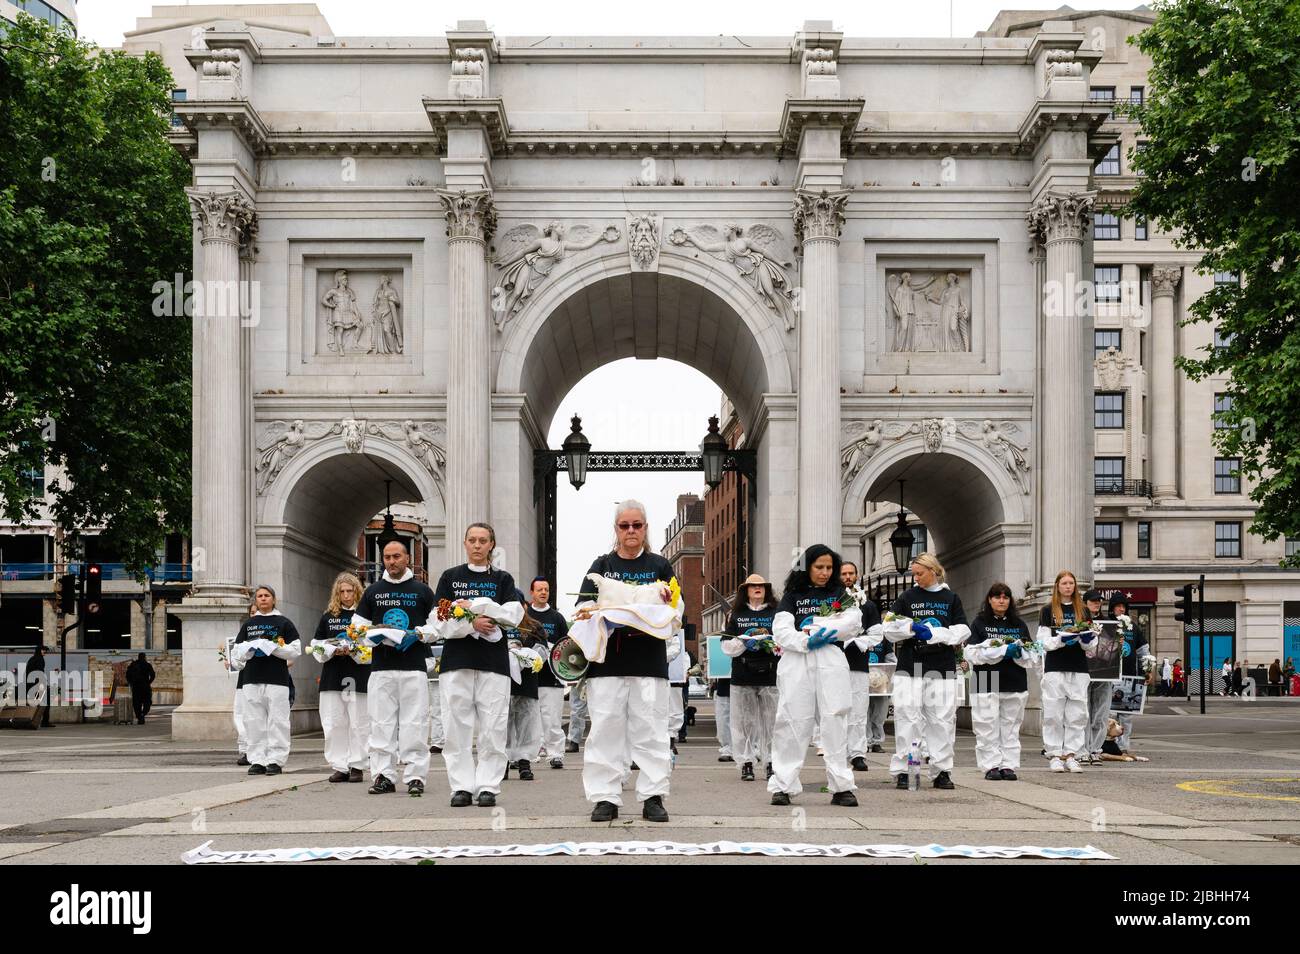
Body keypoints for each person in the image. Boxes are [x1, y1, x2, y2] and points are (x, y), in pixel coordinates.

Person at [575, 500, 676, 823]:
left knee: (651, 730)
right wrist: (600, 615)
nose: (631, 531)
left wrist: (660, 607)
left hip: (649, 661)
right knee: (605, 729)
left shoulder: (661, 566)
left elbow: (675, 611)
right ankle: (605, 796)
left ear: (645, 528)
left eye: (637, 525)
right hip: (608, 663)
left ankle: (653, 796)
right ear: (616, 529)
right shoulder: (600, 565)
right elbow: (582, 610)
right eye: (624, 526)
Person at [767, 544, 863, 807]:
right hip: (798, 660)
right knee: (792, 720)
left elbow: (853, 622)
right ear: (806, 567)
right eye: (819, 567)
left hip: (831, 658)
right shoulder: (793, 596)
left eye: (829, 568)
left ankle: (841, 786)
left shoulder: (840, 594)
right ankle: (783, 784)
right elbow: (781, 630)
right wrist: (805, 640)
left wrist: (821, 628)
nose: (824, 572)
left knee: (835, 718)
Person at [433, 523, 519, 807]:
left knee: (493, 726)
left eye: (483, 540)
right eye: (472, 540)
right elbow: (439, 619)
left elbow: (512, 614)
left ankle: (488, 786)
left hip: (493, 662)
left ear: (491, 544)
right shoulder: (450, 577)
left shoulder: (503, 579)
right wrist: (472, 625)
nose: (478, 545)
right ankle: (461, 786)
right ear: (465, 543)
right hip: (457, 661)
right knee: (456, 726)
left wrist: (480, 608)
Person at [878, 552, 970, 791]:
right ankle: (907, 769)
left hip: (941, 666)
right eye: (914, 573)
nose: (915, 578)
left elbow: (962, 630)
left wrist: (936, 634)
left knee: (941, 720)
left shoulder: (951, 598)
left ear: (934, 571)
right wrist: (910, 627)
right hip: (911, 665)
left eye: (919, 573)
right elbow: (888, 627)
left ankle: (941, 770)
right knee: (907, 718)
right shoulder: (907, 597)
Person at [353, 539, 435, 798]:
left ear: (407, 558)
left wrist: (418, 634)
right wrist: (371, 635)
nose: (391, 561)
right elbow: (357, 627)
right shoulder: (373, 591)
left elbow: (437, 626)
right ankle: (383, 775)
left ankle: (415, 776)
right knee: (381, 723)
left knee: (415, 722)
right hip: (381, 668)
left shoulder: (422, 591)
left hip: (414, 666)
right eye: (387, 557)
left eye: (396, 556)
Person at [964, 583, 1039, 780]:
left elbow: (1032, 655)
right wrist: (1001, 651)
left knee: (1011, 727)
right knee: (986, 726)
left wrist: (1019, 651)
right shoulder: (979, 623)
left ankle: (1009, 765)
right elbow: (971, 653)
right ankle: (990, 766)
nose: (1001, 600)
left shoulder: (1018, 624)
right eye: (997, 597)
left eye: (1005, 597)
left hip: (1014, 680)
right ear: (990, 599)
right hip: (985, 680)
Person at [230, 585, 302, 775]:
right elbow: (236, 653)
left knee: (278, 720)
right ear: (255, 601)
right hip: (252, 679)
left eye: (267, 595)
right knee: (254, 720)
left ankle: (276, 760)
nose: (263, 599)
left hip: (277, 679)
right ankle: (257, 760)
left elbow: (295, 649)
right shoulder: (248, 624)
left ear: (273, 599)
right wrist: (248, 651)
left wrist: (273, 648)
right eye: (260, 596)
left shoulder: (283, 622)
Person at [720, 574, 779, 782]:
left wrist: (770, 643)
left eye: (761, 586)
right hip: (743, 674)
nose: (757, 589)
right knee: (744, 722)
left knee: (771, 721)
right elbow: (725, 645)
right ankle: (746, 762)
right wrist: (744, 641)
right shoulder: (735, 614)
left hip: (771, 674)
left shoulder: (776, 612)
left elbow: (785, 641)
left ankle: (771, 762)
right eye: (753, 586)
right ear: (745, 589)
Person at [312, 572, 370, 783]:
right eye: (342, 591)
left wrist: (353, 650)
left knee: (359, 722)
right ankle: (340, 766)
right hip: (333, 675)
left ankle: (357, 765)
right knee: (334, 721)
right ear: (337, 593)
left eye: (350, 590)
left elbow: (371, 646)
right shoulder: (329, 617)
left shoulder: (363, 617)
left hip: (358, 675)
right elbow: (316, 645)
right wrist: (331, 649)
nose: (346, 595)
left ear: (357, 591)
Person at [1037, 570, 1096, 773]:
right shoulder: (1048, 610)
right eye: (1064, 583)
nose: (1068, 586)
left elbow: (1091, 644)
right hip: (1055, 667)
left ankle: (1072, 754)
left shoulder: (1084, 611)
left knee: (1077, 713)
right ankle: (1054, 754)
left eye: (1071, 583)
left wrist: (1088, 640)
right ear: (1057, 586)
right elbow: (1042, 642)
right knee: (1053, 713)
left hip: (1078, 668)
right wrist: (1060, 641)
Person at [837, 560, 881, 773]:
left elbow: (877, 634)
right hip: (835, 663)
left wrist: (858, 641)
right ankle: (836, 749)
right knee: (836, 708)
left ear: (857, 575)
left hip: (858, 663)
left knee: (858, 710)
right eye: (843, 573)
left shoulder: (868, 605)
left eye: (850, 573)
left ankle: (857, 754)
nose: (847, 577)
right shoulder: (833, 602)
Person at [525, 577, 570, 769]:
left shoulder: (557, 618)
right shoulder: (524, 616)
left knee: (552, 719)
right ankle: (530, 752)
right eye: (539, 589)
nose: (543, 592)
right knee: (530, 718)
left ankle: (555, 754)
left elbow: (567, 646)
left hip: (552, 678)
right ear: (532, 593)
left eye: (546, 589)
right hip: (529, 677)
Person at [504, 586, 545, 783]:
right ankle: (501, 762)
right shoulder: (500, 624)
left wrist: (528, 655)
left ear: (525, 606)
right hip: (503, 682)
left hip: (527, 683)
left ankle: (524, 762)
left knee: (527, 724)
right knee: (502, 724)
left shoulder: (535, 626)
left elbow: (543, 651)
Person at [1107, 595, 1149, 754]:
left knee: (1126, 715)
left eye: (1123, 606)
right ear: (1112, 608)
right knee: (1110, 714)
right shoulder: (1106, 624)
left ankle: (1123, 746)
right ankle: (1109, 744)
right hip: (1110, 677)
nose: (1121, 609)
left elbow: (1143, 650)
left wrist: (1147, 669)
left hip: (1129, 677)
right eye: (1118, 606)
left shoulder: (1133, 627)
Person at [1081, 589, 1111, 766]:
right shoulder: (1080, 620)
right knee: (1083, 712)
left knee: (1100, 713)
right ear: (1085, 602)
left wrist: (1119, 641)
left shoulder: (1108, 622)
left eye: (1099, 601)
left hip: (1104, 671)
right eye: (1093, 601)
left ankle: (1095, 750)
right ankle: (1083, 749)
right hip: (1084, 671)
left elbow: (1113, 644)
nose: (1096, 603)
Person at [125, 652, 156, 725]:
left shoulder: (133, 665)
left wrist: (131, 683)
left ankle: (140, 717)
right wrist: (149, 682)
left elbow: (127, 675)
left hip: (136, 687)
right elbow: (153, 675)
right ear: (144, 657)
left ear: (138, 657)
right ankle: (143, 714)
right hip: (145, 686)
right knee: (147, 702)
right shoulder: (147, 665)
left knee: (136, 703)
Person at [25, 644, 50, 728]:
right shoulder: (40, 659)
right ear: (39, 651)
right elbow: (40, 672)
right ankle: (44, 722)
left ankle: (29, 719)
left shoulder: (32, 659)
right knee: (45, 701)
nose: (44, 652)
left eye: (45, 650)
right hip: (36, 684)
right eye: (43, 650)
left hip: (30, 684)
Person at [713, 676, 734, 762]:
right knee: (723, 718)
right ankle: (727, 749)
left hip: (748, 678)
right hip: (725, 682)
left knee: (747, 718)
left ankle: (751, 748)